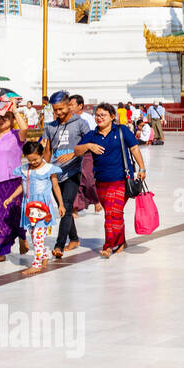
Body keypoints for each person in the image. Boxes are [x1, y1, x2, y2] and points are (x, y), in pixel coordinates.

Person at [76, 103, 146, 258]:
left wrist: (142, 168)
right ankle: (120, 241)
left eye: (103, 115)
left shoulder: (121, 131)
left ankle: (108, 246)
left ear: (112, 117)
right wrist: (89, 146)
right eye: (97, 115)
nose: (99, 118)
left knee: (112, 214)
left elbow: (134, 148)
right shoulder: (92, 135)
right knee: (114, 213)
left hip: (121, 179)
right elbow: (77, 150)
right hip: (101, 182)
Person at [9, 140, 65, 275]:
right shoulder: (25, 169)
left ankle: (36, 264)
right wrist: (11, 197)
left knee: (37, 237)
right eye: (30, 160)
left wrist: (61, 204)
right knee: (34, 234)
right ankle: (44, 256)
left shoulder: (48, 169)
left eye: (36, 159)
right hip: (29, 208)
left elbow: (56, 186)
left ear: (41, 154)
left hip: (43, 209)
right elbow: (22, 186)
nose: (33, 162)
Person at [40, 91, 84, 259]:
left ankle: (59, 245)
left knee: (65, 205)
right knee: (63, 206)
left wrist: (73, 154)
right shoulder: (50, 127)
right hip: (55, 175)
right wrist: (44, 169)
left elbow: (88, 144)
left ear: (68, 105)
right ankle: (74, 238)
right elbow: (48, 152)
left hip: (73, 171)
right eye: (55, 110)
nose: (57, 112)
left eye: (60, 109)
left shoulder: (80, 123)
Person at [0, 105, 28, 262]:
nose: (1, 120)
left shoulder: (16, 136)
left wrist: (15, 110)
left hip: (11, 181)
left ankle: (22, 237)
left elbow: (25, 129)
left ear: (12, 120)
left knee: (13, 214)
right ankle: (0, 253)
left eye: (5, 117)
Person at [69, 94, 99, 213]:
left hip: (87, 153)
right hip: (73, 153)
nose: (69, 107)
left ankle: (96, 200)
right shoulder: (68, 118)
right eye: (69, 105)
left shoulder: (88, 118)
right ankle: (75, 208)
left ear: (80, 106)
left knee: (89, 180)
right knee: (75, 180)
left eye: (72, 104)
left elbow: (93, 135)